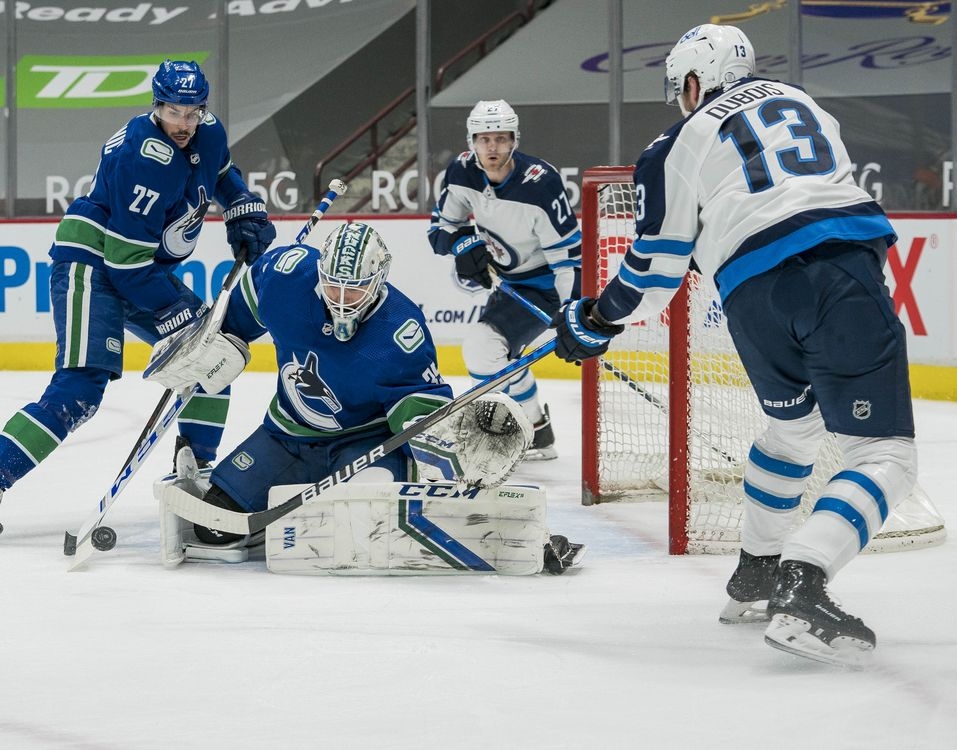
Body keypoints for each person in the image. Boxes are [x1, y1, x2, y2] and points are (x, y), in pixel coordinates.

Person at [552, 24, 916, 667]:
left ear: (693, 83)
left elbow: (657, 271)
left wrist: (597, 319)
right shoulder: (804, 102)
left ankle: (756, 572)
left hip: (751, 297)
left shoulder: (673, 145)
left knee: (792, 430)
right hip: (838, 270)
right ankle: (800, 583)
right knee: (884, 454)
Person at [148, 221, 584, 574]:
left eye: (353, 290)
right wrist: (206, 345)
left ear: (378, 281)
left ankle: (371, 495)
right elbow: (230, 325)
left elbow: (419, 415)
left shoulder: (401, 331)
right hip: (285, 436)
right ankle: (270, 512)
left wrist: (444, 453)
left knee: (359, 523)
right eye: (332, 287)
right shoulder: (285, 275)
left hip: (364, 444)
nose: (341, 300)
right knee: (212, 530)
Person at [0, 60, 276, 518]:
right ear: (157, 106)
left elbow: (222, 172)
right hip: (94, 264)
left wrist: (240, 205)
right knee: (78, 391)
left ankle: (196, 473)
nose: (184, 123)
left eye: (193, 112)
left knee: (212, 359)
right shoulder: (142, 160)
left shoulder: (207, 132)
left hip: (141, 267)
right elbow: (124, 265)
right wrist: (174, 311)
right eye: (174, 112)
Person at [427, 99, 581, 461]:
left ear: (514, 140)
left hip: (545, 285)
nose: (492, 147)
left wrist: (568, 310)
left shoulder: (540, 184)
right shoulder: (461, 173)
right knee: (493, 354)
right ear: (472, 141)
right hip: (509, 282)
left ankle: (512, 432)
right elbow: (440, 230)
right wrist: (463, 244)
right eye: (484, 139)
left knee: (482, 351)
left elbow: (569, 260)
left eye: (501, 138)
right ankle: (536, 430)